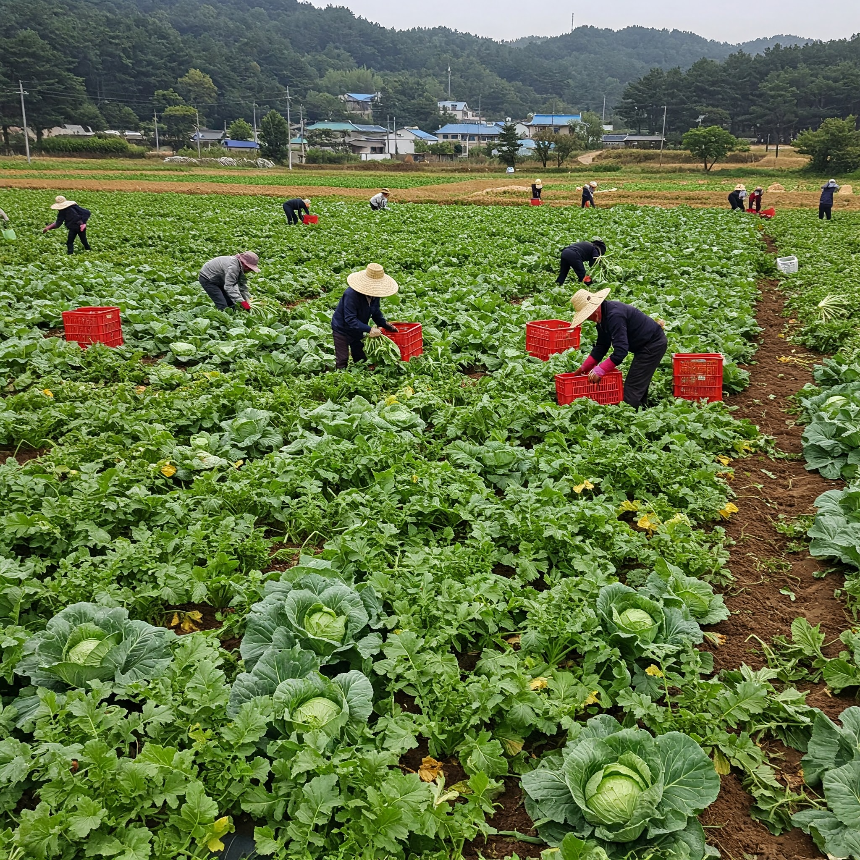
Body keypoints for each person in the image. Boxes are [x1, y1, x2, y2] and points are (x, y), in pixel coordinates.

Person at [569, 287, 667, 409]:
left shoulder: (614, 316)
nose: (586, 319)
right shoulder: (602, 317)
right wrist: (584, 368)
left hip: (653, 344)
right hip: (643, 344)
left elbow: (621, 351)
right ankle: (642, 407)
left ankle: (629, 416)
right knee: (638, 380)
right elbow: (602, 346)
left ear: (592, 311)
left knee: (632, 388)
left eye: (586, 316)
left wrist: (600, 370)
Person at [331, 263, 399, 370]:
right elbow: (350, 319)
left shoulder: (375, 296)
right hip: (342, 328)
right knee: (343, 359)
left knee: (360, 358)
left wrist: (386, 325)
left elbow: (376, 313)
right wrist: (369, 329)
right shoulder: (351, 295)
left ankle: (361, 376)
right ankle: (339, 378)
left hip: (357, 329)